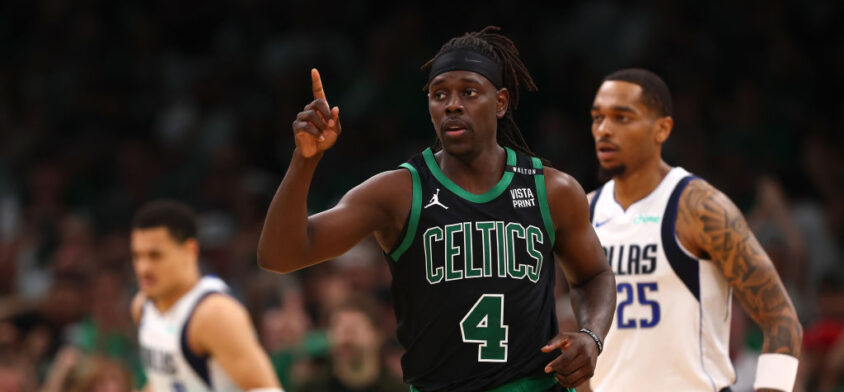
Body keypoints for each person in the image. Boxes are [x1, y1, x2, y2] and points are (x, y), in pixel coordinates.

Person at [257, 26, 616, 391]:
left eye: (469, 92)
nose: (452, 104)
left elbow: (594, 276)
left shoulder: (552, 189)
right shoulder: (399, 191)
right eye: (439, 94)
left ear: (501, 102)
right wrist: (305, 161)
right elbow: (280, 255)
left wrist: (591, 336)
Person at [585, 69, 802, 392]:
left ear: (662, 129)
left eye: (622, 118)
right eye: (598, 117)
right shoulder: (585, 211)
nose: (604, 129)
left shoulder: (701, 208)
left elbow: (782, 320)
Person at [130, 200, 283, 392]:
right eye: (137, 256)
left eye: (155, 256)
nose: (143, 268)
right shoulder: (142, 307)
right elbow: (169, 382)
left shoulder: (214, 314)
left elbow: (266, 389)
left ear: (190, 250)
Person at [297, 296, 406, 392]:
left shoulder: (399, 389)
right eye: (339, 328)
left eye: (354, 328)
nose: (346, 338)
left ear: (378, 335)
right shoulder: (309, 388)